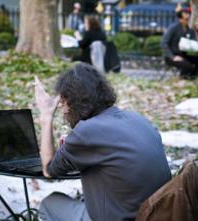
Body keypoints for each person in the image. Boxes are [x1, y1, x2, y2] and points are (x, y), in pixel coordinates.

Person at [35, 63, 171, 221]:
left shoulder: (86, 132)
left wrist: (46, 116)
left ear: (72, 102)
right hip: (157, 213)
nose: (63, 111)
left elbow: (49, 170)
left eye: (62, 103)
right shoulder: (137, 119)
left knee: (49, 203)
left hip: (124, 217)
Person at [161, 4, 198, 79]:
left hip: (184, 54)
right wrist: (172, 57)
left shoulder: (190, 29)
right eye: (186, 19)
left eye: (189, 19)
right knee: (186, 65)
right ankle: (183, 80)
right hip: (172, 55)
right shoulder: (173, 28)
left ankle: (192, 79)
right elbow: (164, 43)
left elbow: (193, 40)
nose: (188, 21)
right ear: (180, 19)